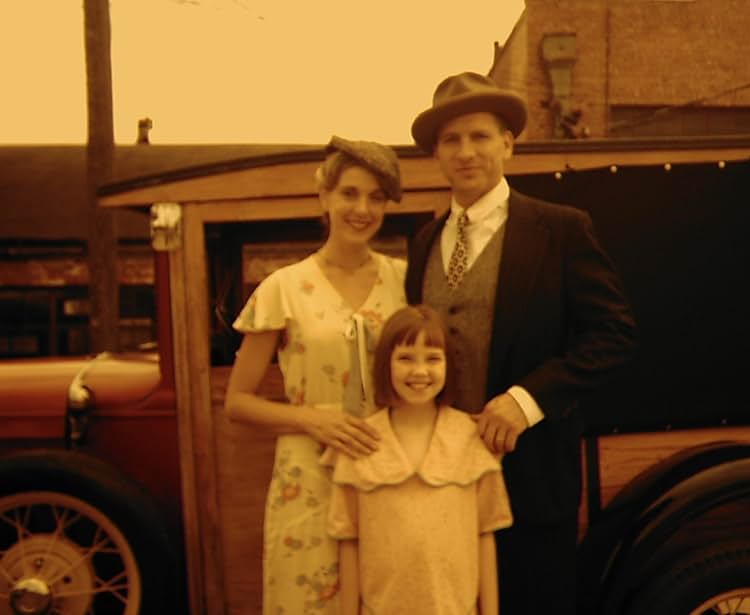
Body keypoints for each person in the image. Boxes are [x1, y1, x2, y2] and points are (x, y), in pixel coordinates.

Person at [405, 72, 639, 614]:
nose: (466, 152)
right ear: (437, 154)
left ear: (508, 142)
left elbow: (613, 333)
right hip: (440, 479)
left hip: (531, 483)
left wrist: (526, 400)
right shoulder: (423, 242)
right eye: (451, 141)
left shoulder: (559, 230)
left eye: (480, 136)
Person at [225, 135, 408, 615]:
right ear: (323, 196)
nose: (362, 208)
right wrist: (313, 420)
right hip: (309, 473)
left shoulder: (405, 281)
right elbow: (237, 402)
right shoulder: (283, 288)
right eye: (349, 193)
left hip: (388, 464)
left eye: (375, 197)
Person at [321, 304, 513, 615]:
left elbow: (485, 536)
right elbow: (348, 541)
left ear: (449, 365)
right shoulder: (359, 443)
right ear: (386, 364)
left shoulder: (471, 440)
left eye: (433, 358)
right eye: (406, 358)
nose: (420, 371)